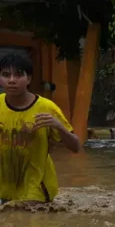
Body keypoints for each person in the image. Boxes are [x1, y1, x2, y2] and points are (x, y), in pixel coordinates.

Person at [0, 54, 81, 205]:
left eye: (18, 75)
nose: (11, 80)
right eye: (6, 75)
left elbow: (76, 147)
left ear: (28, 79)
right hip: (4, 187)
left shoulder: (46, 108)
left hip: (36, 188)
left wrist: (59, 127)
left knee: (31, 224)